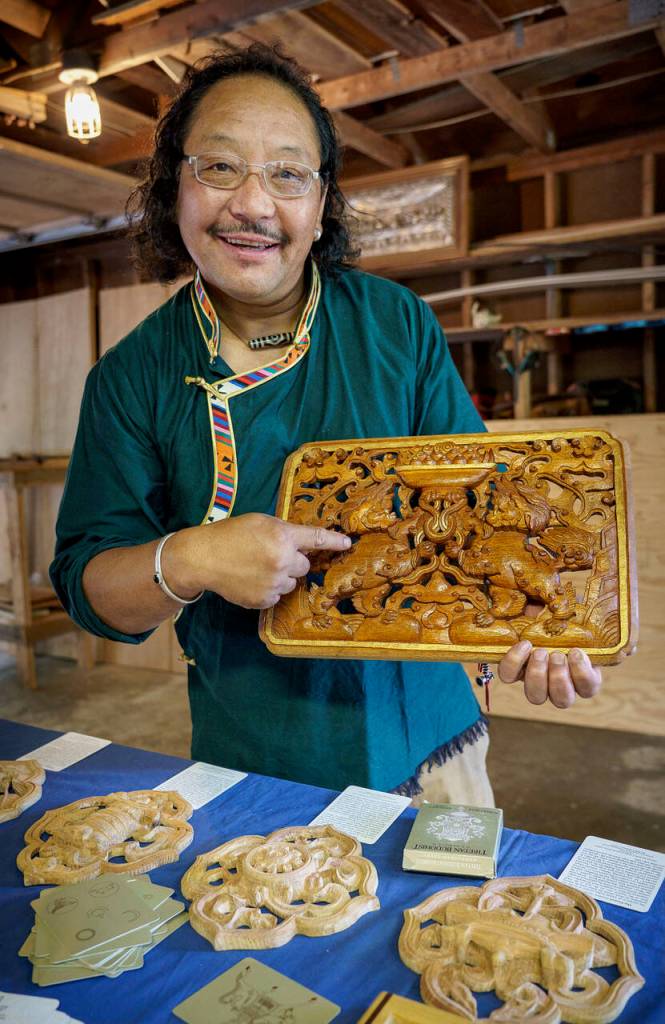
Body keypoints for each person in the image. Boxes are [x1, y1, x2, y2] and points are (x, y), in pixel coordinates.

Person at [50, 45, 602, 806]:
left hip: (431, 732)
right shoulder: (130, 377)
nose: (253, 204)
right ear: (172, 185)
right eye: (218, 167)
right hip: (258, 753)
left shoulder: (393, 322)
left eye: (287, 173)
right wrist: (194, 558)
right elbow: (89, 587)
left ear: (320, 204)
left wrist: (545, 621)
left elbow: (485, 502)